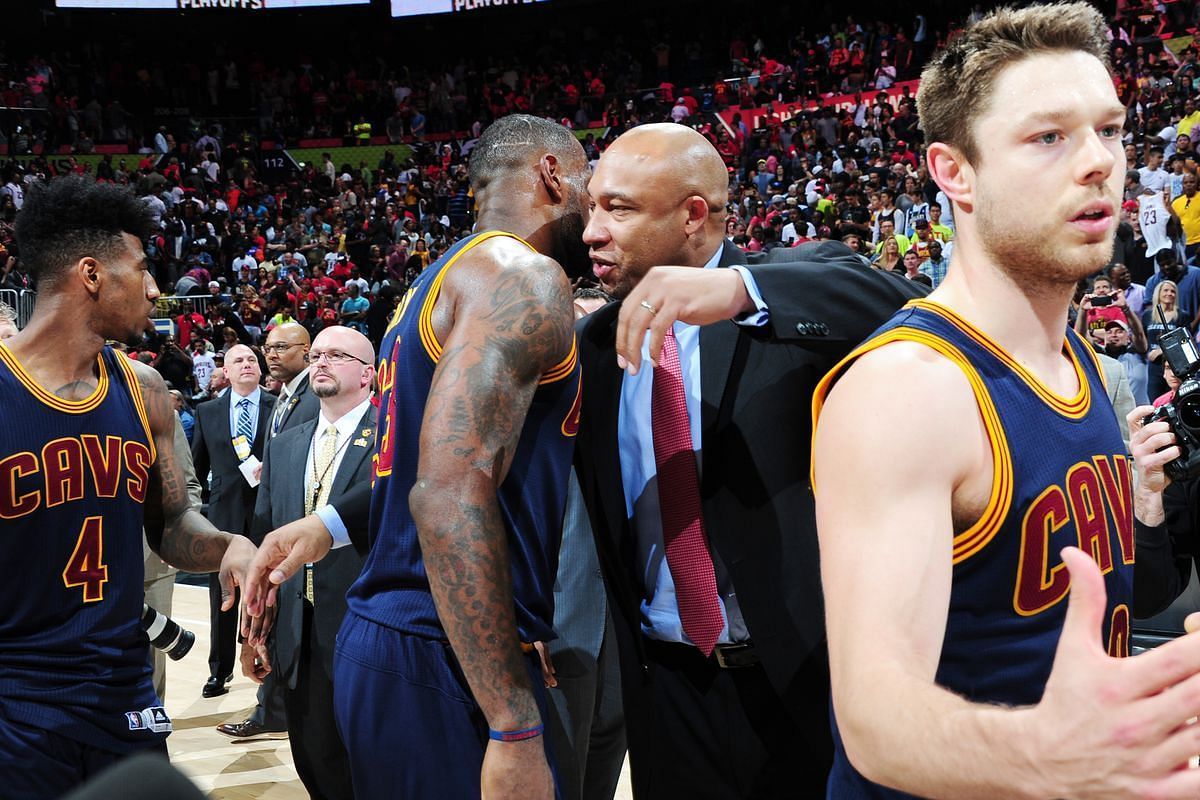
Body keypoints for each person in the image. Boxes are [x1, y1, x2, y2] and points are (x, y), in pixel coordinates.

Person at [810, 5, 1200, 796]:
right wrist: (1049, 755)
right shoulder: (907, 390)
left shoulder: (1079, 360)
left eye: (1111, 130)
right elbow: (875, 722)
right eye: (1048, 136)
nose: (1098, 161)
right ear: (954, 171)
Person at [243, 113, 590, 800]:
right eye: (588, 181)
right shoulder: (520, 275)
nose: (598, 210)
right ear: (551, 172)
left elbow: (416, 469)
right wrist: (513, 721)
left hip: (396, 643)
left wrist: (326, 525)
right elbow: (448, 495)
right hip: (445, 653)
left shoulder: (433, 282)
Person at [575, 123, 923, 797]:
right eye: (592, 208)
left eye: (617, 209)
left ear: (693, 215)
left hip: (800, 677)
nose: (592, 231)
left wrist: (742, 291)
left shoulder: (781, 289)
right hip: (665, 688)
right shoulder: (594, 343)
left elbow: (906, 304)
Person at [0, 174, 257, 799]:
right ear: (91, 274)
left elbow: (170, 526)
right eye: (140, 269)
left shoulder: (142, 390)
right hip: (16, 703)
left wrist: (231, 548)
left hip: (124, 693)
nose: (154, 288)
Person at [243, 326, 375, 800]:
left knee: (372, 762)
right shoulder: (284, 444)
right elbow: (265, 539)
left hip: (367, 628)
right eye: (316, 354)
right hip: (299, 632)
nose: (321, 361)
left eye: (337, 355)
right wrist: (255, 630)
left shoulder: (392, 439)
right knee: (315, 760)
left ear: (368, 375)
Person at [216, 321, 317, 738]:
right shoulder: (287, 396)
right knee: (272, 620)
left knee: (287, 622)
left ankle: (277, 711)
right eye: (267, 347)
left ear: (306, 351)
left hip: (296, 531)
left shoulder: (313, 397)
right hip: (272, 525)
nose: (270, 354)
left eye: (281, 347)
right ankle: (273, 710)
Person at [190, 344, 278, 702]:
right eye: (238, 360)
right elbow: (196, 468)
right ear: (224, 370)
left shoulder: (279, 407)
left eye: (252, 360)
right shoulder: (207, 411)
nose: (247, 364)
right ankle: (219, 669)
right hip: (224, 518)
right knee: (222, 597)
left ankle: (272, 664)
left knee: (272, 592)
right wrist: (193, 518)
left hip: (269, 514)